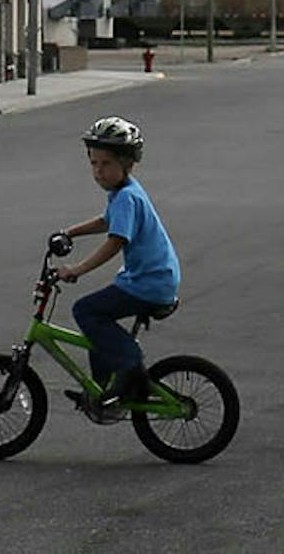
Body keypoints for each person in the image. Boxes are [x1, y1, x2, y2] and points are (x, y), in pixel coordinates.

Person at [53, 115, 180, 422]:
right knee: (98, 326)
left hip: (149, 284)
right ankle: (103, 390)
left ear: (128, 164)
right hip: (149, 279)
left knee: (87, 311)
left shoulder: (127, 197)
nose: (99, 171)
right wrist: (69, 232)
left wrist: (77, 269)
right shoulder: (123, 193)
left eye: (106, 164)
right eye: (94, 164)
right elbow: (104, 221)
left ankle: (129, 367)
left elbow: (115, 241)